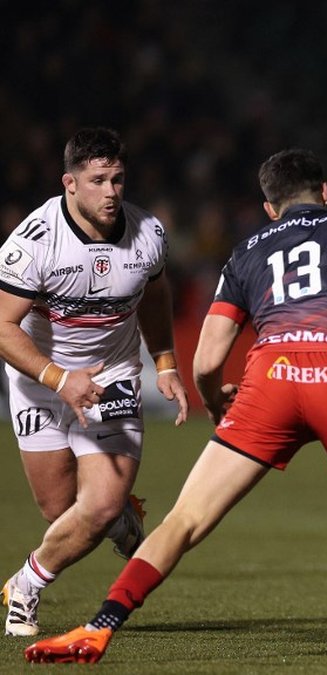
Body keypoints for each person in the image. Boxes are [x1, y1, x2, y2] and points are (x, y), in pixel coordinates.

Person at [23, 149, 327, 663]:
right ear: (325, 192)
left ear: (270, 208)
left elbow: (208, 359)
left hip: (269, 381)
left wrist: (216, 405)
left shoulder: (246, 252)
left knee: (183, 520)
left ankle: (98, 627)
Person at [0, 128, 188, 637]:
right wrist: (59, 379)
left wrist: (166, 362)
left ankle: (25, 586)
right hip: (40, 379)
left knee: (98, 504)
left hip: (113, 375)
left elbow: (154, 295)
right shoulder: (32, 243)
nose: (111, 192)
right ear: (69, 184)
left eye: (118, 179)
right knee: (60, 511)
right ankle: (121, 519)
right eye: (98, 180)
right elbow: (2, 326)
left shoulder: (148, 233)